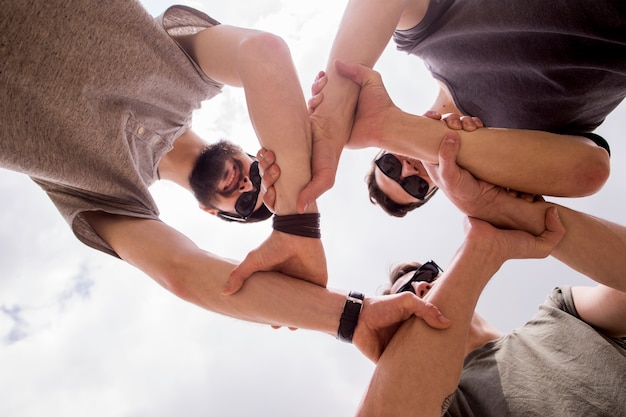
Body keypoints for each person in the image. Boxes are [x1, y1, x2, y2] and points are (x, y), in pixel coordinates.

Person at [0, 0, 452, 359]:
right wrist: (295, 220)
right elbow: (262, 52)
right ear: (254, 150)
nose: (249, 188)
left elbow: (181, 271)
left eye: (245, 206)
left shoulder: (111, 197)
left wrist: (351, 318)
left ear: (210, 213)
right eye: (262, 175)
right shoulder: (186, 69)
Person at [353, 134, 626, 417]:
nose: (421, 285)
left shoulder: (562, 311)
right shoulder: (453, 406)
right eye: (406, 296)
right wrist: (480, 250)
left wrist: (520, 215)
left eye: (427, 273)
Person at [296, 0, 624, 217]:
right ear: (440, 189)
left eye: (391, 167)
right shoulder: (522, 158)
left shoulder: (425, 40)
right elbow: (590, 170)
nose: (410, 170)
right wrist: (392, 129)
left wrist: (333, 117)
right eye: (415, 187)